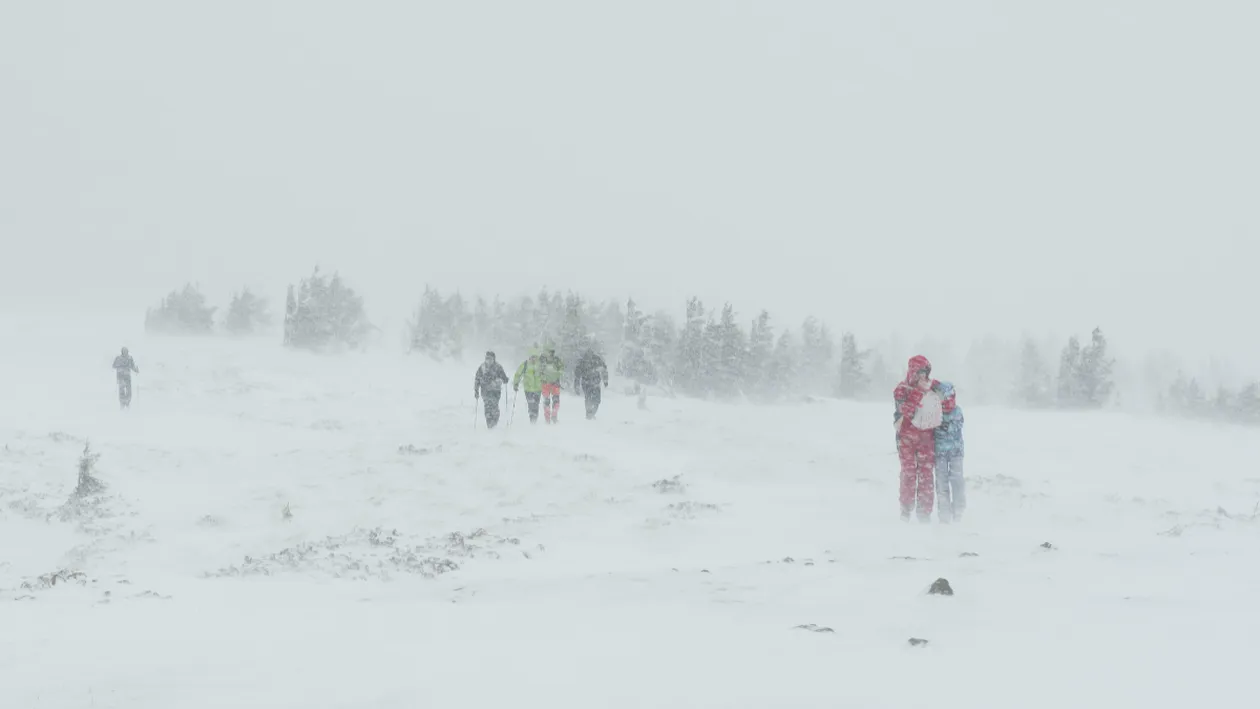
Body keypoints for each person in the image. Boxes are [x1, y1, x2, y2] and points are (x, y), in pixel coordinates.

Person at [893, 355, 942, 522]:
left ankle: (924, 514)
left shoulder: (932, 389)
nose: (923, 376)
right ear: (913, 372)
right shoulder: (902, 389)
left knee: (926, 474)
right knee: (909, 474)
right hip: (906, 439)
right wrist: (918, 392)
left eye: (925, 372)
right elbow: (904, 412)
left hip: (926, 439)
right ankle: (905, 511)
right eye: (920, 372)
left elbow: (944, 401)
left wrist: (940, 389)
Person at [934, 381, 966, 523]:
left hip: (955, 453)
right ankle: (944, 513)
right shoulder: (934, 411)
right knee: (941, 483)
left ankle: (959, 511)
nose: (939, 398)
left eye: (941, 395)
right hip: (939, 452)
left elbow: (954, 426)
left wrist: (941, 425)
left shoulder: (957, 411)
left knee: (957, 481)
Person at [474, 351, 510, 429]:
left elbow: (503, 377)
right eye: (487, 358)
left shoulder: (498, 367)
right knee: (487, 408)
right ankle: (490, 424)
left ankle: (495, 421)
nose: (488, 360)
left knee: (494, 407)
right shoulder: (482, 367)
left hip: (495, 391)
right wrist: (476, 390)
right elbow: (477, 379)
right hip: (485, 391)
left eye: (490, 358)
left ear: (494, 359)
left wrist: (505, 379)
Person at [573, 348, 609, 420]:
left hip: (592, 383)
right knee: (591, 399)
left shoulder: (595, 360)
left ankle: (591, 413)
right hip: (589, 383)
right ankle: (589, 413)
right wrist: (576, 385)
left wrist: (605, 380)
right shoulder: (585, 361)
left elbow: (604, 369)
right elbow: (577, 374)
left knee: (594, 399)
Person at [513, 350, 544, 424]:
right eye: (532, 357)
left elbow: (544, 374)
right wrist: (516, 384)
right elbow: (518, 374)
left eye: (535, 357)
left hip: (538, 389)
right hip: (528, 389)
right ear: (529, 357)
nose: (534, 359)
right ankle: (532, 418)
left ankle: (534, 419)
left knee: (536, 404)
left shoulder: (540, 365)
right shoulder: (525, 364)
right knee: (531, 404)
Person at [537, 345, 565, 424]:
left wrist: (543, 378)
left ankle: (547, 419)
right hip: (555, 383)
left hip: (545, 384)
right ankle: (554, 415)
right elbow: (562, 370)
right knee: (556, 401)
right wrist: (556, 375)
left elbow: (538, 371)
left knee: (546, 401)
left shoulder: (542, 360)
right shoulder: (556, 360)